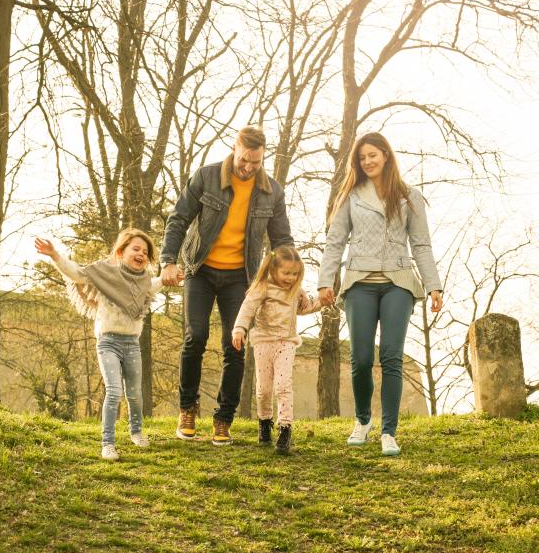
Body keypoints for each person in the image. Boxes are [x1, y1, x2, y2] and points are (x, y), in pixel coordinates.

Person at [160, 126, 294, 446]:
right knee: (196, 336)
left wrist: (290, 279)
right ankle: (188, 408)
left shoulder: (271, 192)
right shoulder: (206, 177)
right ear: (234, 148)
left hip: (240, 278)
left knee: (234, 347)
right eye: (244, 160)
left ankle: (223, 418)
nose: (248, 168)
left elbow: (282, 240)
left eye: (256, 163)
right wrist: (168, 261)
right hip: (200, 270)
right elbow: (178, 219)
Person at [317, 132, 443, 456]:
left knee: (391, 356)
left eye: (372, 155)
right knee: (360, 359)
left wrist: (434, 286)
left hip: (398, 282)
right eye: (362, 158)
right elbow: (334, 241)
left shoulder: (409, 196)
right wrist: (325, 282)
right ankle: (362, 420)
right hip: (359, 282)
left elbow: (422, 245)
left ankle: (389, 431)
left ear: (386, 155)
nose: (367, 161)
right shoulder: (351, 195)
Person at [34, 229, 178, 461]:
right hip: (108, 342)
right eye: (136, 249)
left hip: (132, 343)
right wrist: (54, 255)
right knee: (114, 391)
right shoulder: (104, 273)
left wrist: (168, 278)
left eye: (145, 251)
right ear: (121, 252)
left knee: (134, 394)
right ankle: (107, 443)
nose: (141, 253)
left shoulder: (143, 282)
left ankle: (136, 432)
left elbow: (153, 285)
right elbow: (76, 273)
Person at [231, 246, 321, 455]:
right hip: (263, 342)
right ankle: (264, 422)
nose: (290, 278)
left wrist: (320, 303)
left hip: (286, 343)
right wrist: (239, 329)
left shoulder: (295, 291)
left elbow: (303, 309)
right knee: (264, 389)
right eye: (286, 273)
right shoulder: (262, 287)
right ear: (273, 270)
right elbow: (247, 308)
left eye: (295, 274)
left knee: (283, 385)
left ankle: (285, 428)